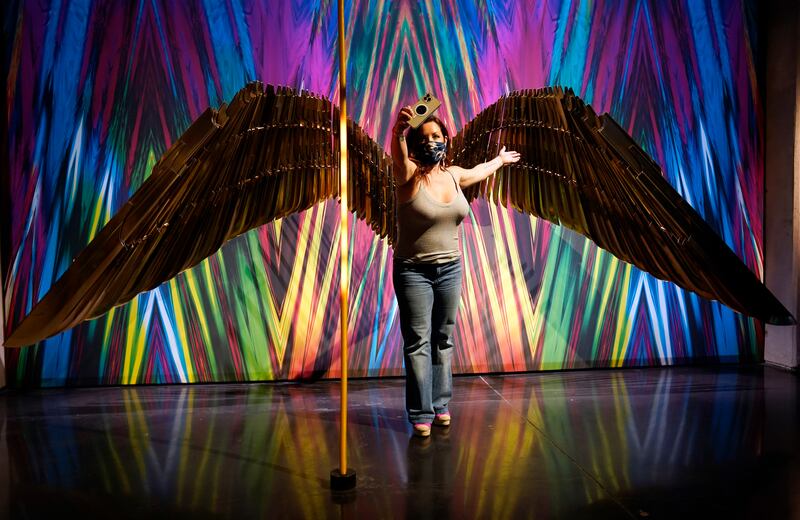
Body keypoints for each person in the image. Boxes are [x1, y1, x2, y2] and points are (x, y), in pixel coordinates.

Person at [391, 104, 521, 437]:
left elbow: (478, 171)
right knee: (418, 342)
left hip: (450, 268)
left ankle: (440, 406)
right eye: (424, 138)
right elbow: (398, 156)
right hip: (413, 271)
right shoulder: (407, 176)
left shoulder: (454, 174)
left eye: (437, 136)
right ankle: (421, 412)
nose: (431, 142)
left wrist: (500, 161)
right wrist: (397, 133)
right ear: (415, 144)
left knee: (443, 339)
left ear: (446, 139)